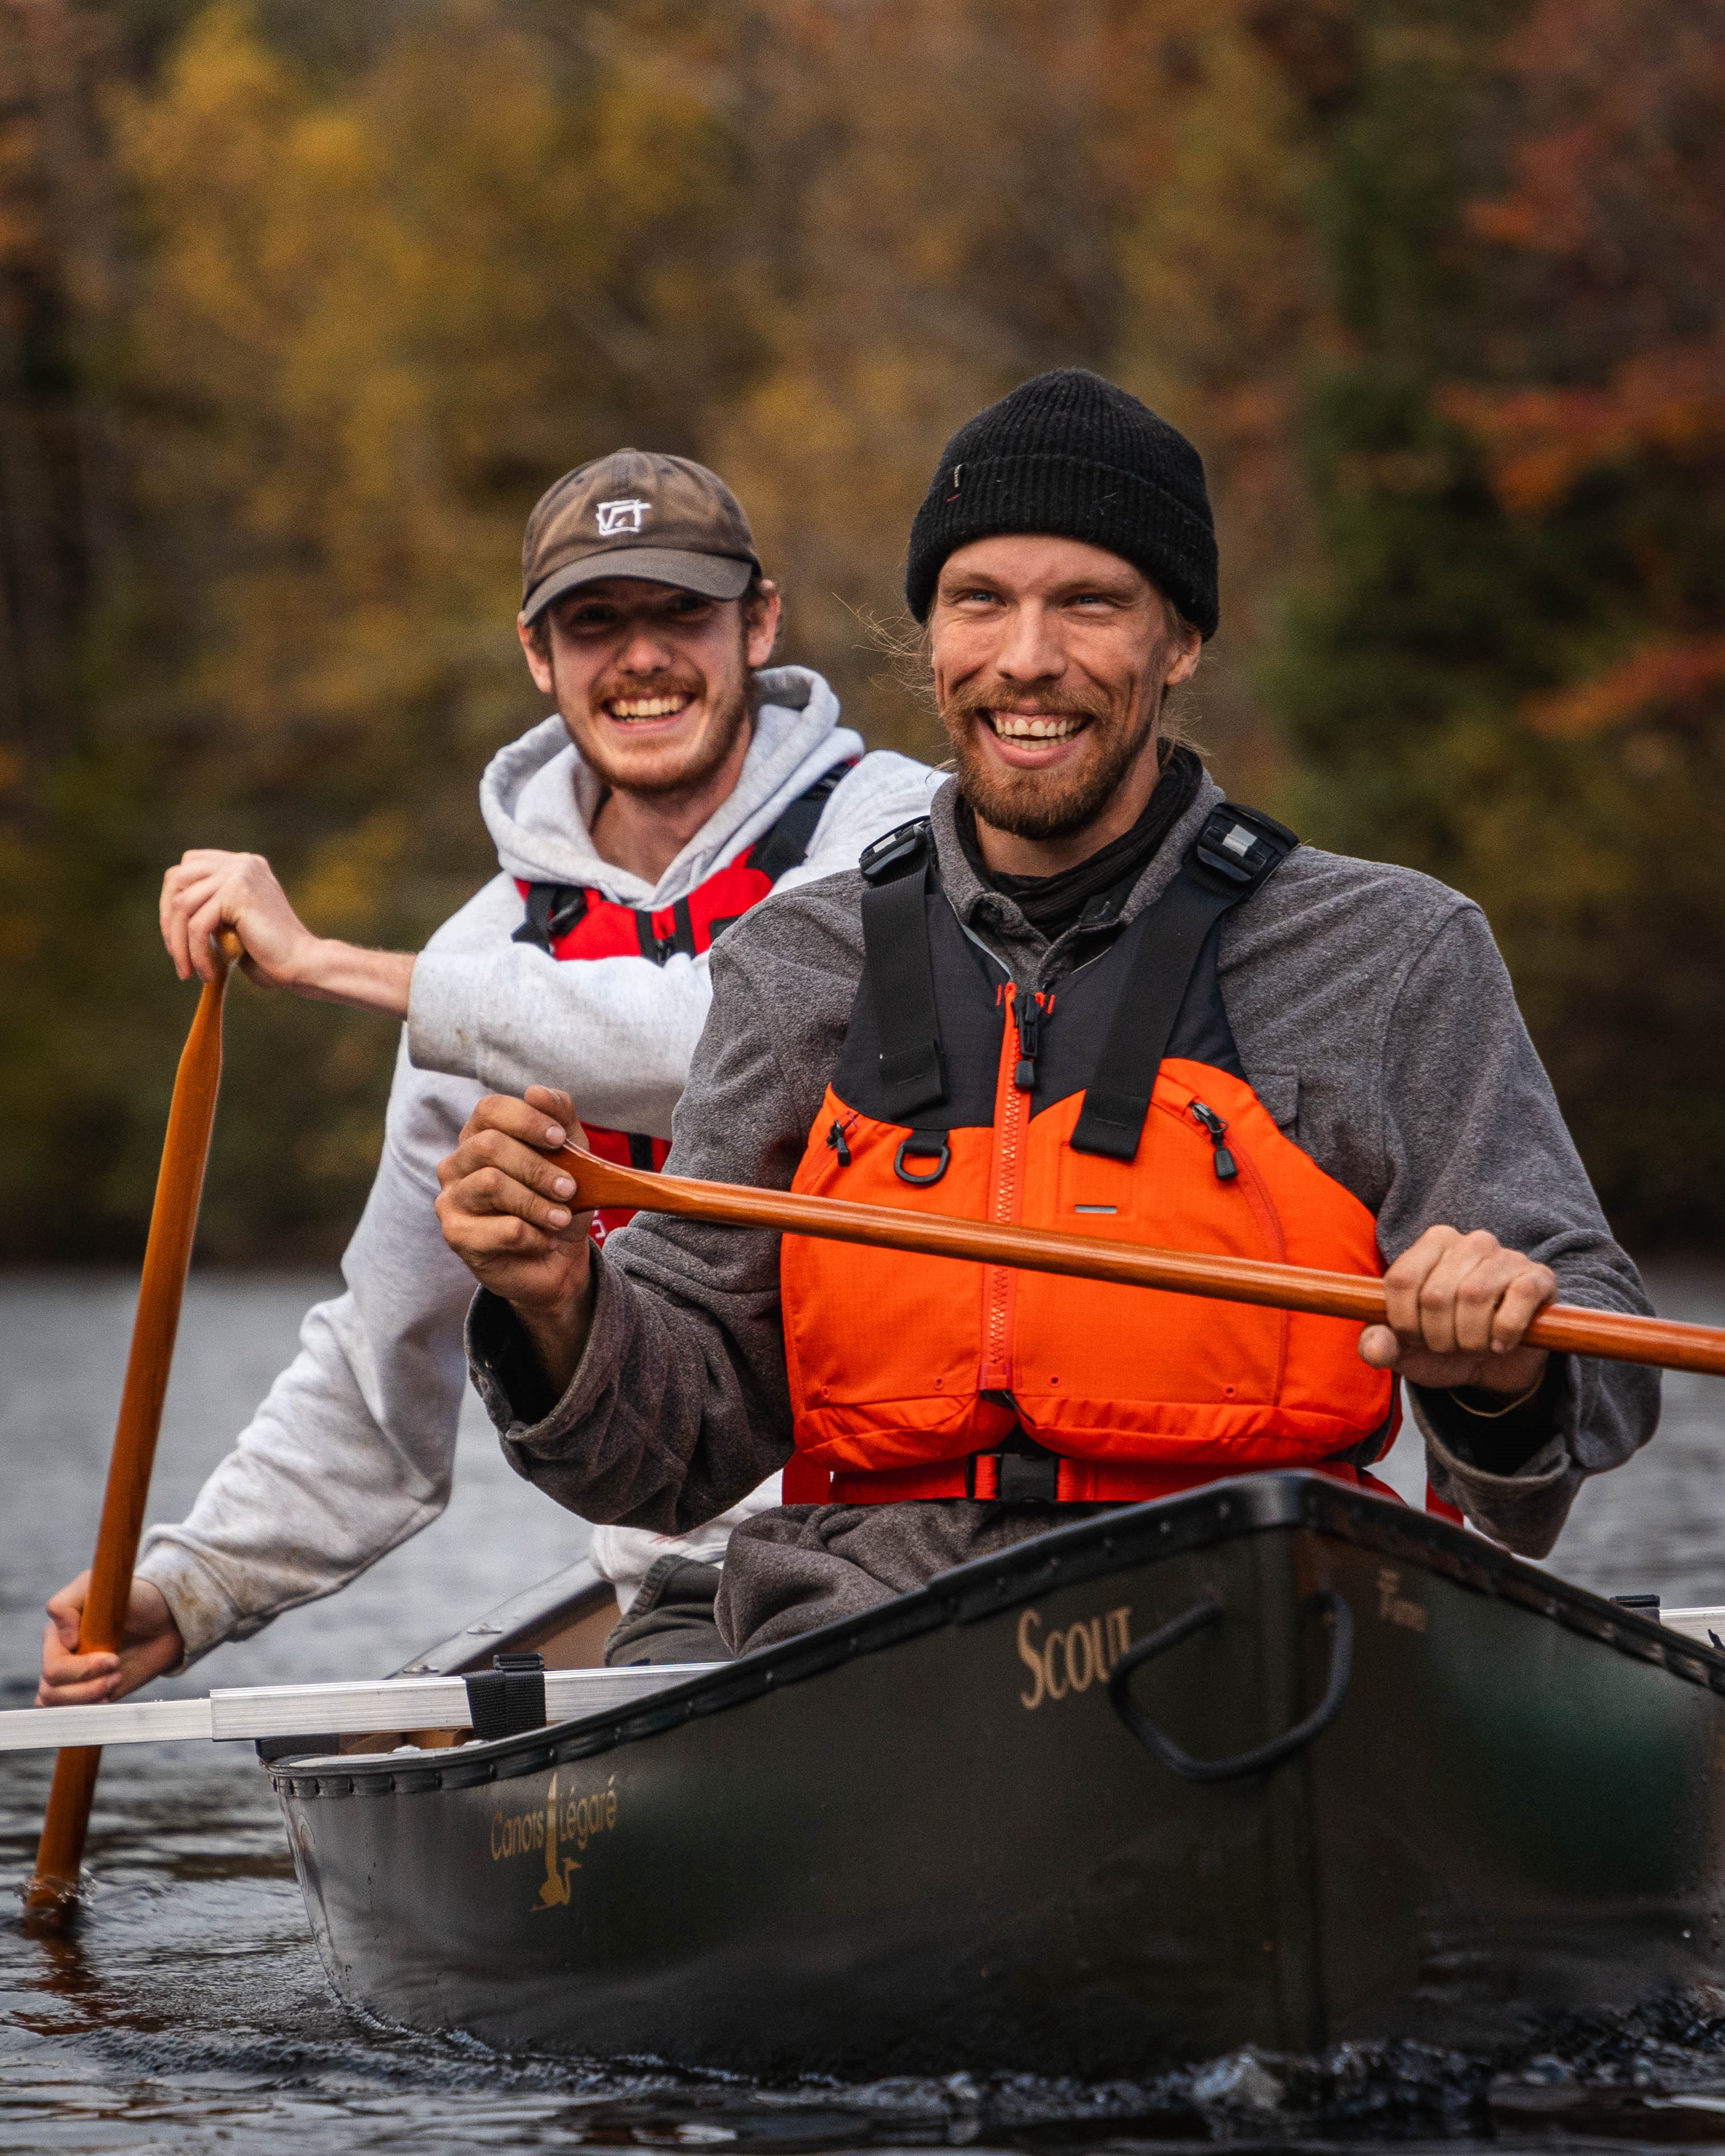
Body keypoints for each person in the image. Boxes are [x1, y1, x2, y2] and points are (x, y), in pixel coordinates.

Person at [432, 369, 1661, 1661]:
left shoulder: (1394, 950)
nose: (1027, 657)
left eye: (1089, 603)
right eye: (982, 602)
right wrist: (558, 1304)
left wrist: (1506, 1370)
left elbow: (1599, 1372)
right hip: (866, 1651)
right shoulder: (799, 960)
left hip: (1277, 1622)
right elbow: (668, 1459)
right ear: (934, 637)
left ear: (1178, 641)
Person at [38, 448, 940, 1704]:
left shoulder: (902, 824)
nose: (642, 658)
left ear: (760, 622)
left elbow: (732, 1027)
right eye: (596, 623)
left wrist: (338, 965)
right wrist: (190, 1589)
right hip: (702, 1584)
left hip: (944, 1532)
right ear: (538, 653)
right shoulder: (481, 958)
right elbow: (383, 1364)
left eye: (682, 611)